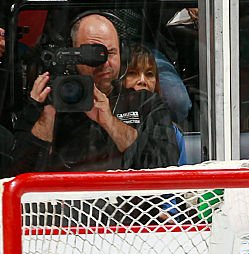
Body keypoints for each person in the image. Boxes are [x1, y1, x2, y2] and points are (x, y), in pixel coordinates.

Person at [15, 13, 179, 172]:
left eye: (111, 53)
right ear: (71, 53)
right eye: (92, 53)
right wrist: (46, 116)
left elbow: (163, 166)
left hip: (127, 199)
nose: (104, 62)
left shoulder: (146, 103)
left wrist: (110, 122)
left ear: (123, 54)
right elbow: (15, 176)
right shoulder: (47, 104)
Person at [123, 46, 187, 165]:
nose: (142, 80)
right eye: (132, 73)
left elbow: (179, 180)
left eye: (149, 74)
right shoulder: (107, 121)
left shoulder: (173, 132)